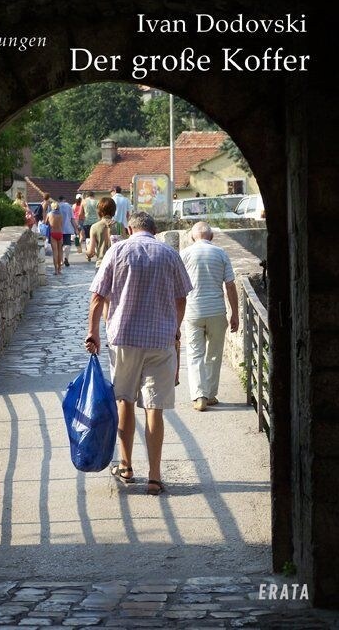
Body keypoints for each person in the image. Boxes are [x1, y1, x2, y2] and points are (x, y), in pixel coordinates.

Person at [85, 212, 192, 495]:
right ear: (155, 230)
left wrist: (93, 332)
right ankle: (155, 477)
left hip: (123, 339)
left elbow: (97, 296)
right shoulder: (169, 253)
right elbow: (181, 298)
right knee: (154, 408)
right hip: (161, 340)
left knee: (125, 401)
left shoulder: (117, 251)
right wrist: (175, 328)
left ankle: (126, 465)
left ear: (130, 228)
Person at [180, 221, 239, 412]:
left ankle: (199, 396)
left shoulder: (186, 254)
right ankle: (211, 394)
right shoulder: (221, 253)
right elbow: (230, 285)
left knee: (195, 354)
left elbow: (178, 287)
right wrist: (235, 314)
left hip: (194, 310)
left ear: (192, 237)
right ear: (211, 236)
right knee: (214, 354)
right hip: (216, 311)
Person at [86, 197, 117, 269]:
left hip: (101, 264)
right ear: (114, 210)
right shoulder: (119, 226)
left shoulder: (94, 227)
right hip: (115, 264)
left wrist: (87, 254)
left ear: (100, 211)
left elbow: (91, 252)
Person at [58, 195, 78, 267]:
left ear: (59, 200)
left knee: (60, 245)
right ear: (64, 199)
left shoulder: (56, 206)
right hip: (67, 228)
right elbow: (72, 219)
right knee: (68, 244)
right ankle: (66, 257)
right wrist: (76, 228)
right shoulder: (69, 206)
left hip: (58, 229)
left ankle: (61, 261)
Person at [46, 202, 63, 274]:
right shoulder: (61, 215)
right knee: (60, 252)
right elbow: (61, 224)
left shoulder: (49, 214)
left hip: (53, 233)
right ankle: (59, 269)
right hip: (60, 233)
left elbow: (46, 223)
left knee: (55, 252)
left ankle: (56, 270)